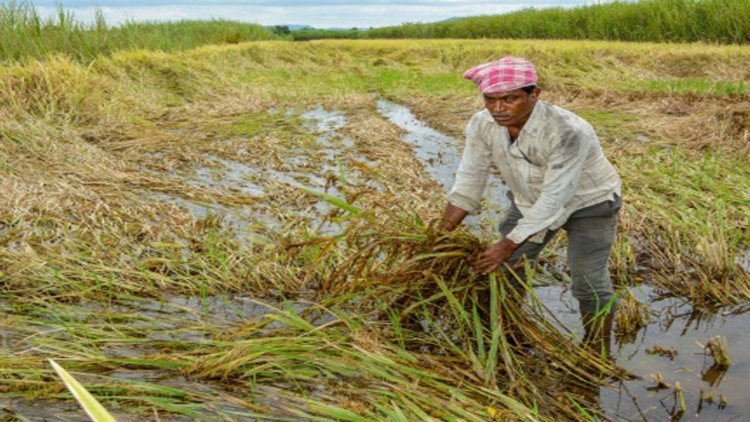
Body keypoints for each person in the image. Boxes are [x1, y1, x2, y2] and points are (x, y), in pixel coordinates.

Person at [441, 56, 622, 355]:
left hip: (589, 205)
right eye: (490, 99)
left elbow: (555, 198)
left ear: (534, 94)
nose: (498, 109)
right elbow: (471, 176)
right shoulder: (482, 123)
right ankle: (507, 333)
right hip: (528, 201)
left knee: (588, 282)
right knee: (504, 270)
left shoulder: (567, 131)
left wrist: (508, 243)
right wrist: (443, 232)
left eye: (510, 99)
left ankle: (597, 351)